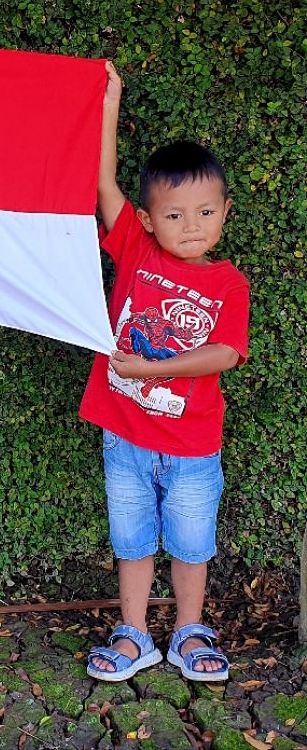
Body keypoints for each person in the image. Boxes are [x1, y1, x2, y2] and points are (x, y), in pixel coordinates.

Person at [80, 61, 250, 683]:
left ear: (224, 212)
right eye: (175, 215)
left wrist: (156, 367)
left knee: (190, 542)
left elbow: (225, 354)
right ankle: (133, 633)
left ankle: (188, 632)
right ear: (150, 220)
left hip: (192, 445)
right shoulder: (135, 247)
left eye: (205, 212)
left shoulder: (228, 283)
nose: (191, 226)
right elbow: (103, 181)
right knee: (130, 537)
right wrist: (107, 101)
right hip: (124, 435)